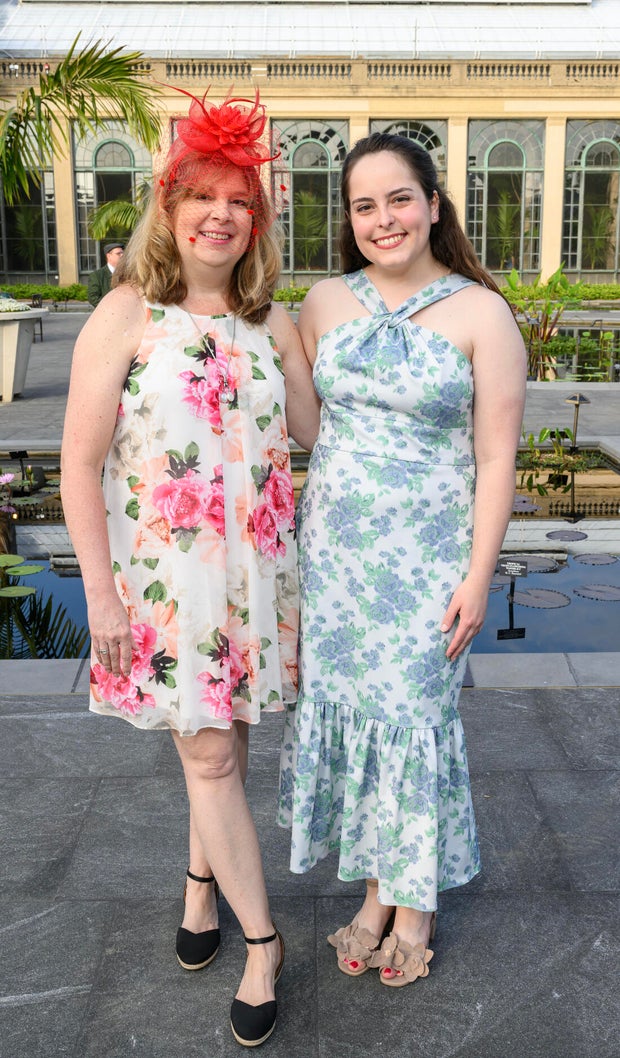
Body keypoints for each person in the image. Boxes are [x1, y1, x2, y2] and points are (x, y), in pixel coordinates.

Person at [61, 88, 310, 1047]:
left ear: (258, 219)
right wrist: (98, 593)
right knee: (207, 754)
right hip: (166, 586)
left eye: (239, 200)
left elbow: (312, 434)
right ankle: (264, 942)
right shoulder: (128, 314)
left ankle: (201, 885)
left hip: (254, 581)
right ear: (168, 209)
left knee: (228, 750)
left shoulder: (270, 325)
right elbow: (78, 462)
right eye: (201, 196)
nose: (219, 215)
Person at [279, 132, 526, 986]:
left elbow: (497, 457)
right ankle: (379, 894)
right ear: (348, 220)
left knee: (416, 726)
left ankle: (414, 908)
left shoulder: (481, 313)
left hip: (427, 562)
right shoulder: (321, 304)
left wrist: (476, 574)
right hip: (338, 557)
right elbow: (313, 431)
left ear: (431, 203)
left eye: (398, 199)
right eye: (363, 205)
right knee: (358, 723)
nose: (383, 219)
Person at [86, 242, 125, 307]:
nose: (122, 255)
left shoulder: (128, 274)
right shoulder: (97, 275)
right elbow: (93, 298)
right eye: (118, 253)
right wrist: (110, 307)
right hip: (107, 314)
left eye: (123, 253)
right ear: (109, 256)